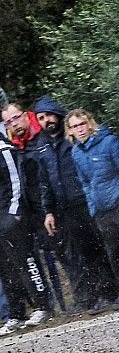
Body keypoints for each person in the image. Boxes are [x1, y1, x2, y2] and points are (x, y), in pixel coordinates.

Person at [32, 95, 118, 313]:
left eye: (49, 115)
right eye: (41, 118)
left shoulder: (72, 139)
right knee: (85, 253)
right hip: (64, 208)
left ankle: (113, 291)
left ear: (58, 115)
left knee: (102, 247)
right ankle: (100, 295)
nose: (46, 121)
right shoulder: (42, 145)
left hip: (85, 200)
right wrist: (48, 211)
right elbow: (45, 181)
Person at [68, 109, 119, 310]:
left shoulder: (109, 142)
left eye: (82, 124)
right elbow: (85, 182)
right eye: (75, 126)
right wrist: (92, 207)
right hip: (102, 211)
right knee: (117, 254)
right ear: (69, 131)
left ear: (90, 123)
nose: (80, 129)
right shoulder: (76, 152)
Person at [1, 102, 65, 311]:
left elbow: (16, 182)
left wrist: (14, 211)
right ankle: (21, 311)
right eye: (8, 121)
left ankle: (48, 305)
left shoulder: (36, 139)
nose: (14, 123)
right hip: (31, 211)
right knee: (12, 266)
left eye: (16, 117)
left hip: (45, 207)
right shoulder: (17, 144)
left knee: (57, 254)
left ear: (26, 115)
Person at [0, 133, 52, 335]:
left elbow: (16, 181)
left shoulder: (3, 149)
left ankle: (43, 306)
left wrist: (14, 212)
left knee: (26, 261)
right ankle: (16, 314)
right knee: (6, 269)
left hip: (10, 217)